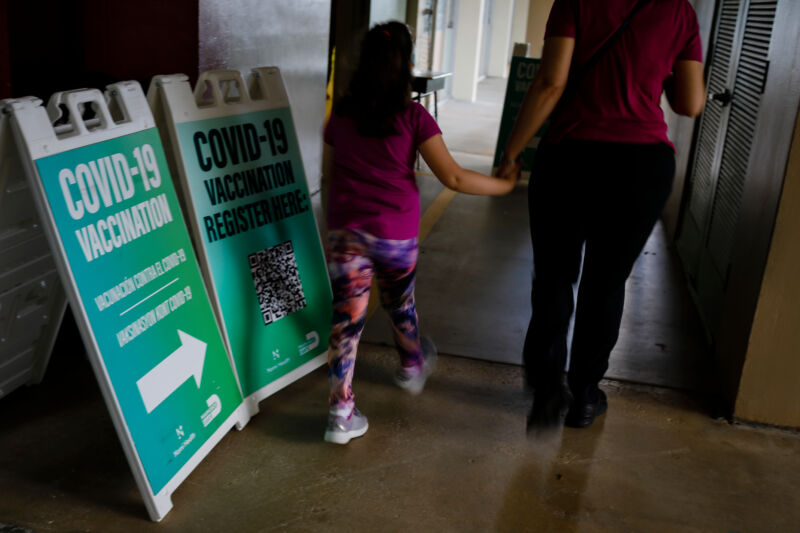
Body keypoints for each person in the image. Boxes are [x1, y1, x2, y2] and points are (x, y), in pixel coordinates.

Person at [497, 0, 706, 433]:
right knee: (605, 283)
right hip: (641, 166)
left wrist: (513, 151)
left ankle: (546, 388)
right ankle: (585, 396)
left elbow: (551, 83)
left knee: (554, 276)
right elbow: (690, 102)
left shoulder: (575, 1)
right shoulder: (679, 11)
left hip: (569, 157)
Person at [322, 21, 518, 445]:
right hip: (394, 234)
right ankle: (411, 367)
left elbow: (329, 175)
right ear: (407, 65)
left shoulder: (342, 114)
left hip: (347, 233)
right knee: (399, 303)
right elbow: (454, 177)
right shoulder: (413, 116)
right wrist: (504, 185)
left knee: (346, 321)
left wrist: (332, 230)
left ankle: (340, 412)